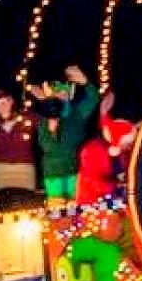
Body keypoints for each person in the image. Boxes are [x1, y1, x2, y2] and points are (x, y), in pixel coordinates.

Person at [26, 64, 105, 203]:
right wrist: (51, 129)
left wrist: (84, 81)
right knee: (57, 213)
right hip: (53, 174)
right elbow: (46, 145)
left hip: (73, 170)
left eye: (65, 89)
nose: (62, 92)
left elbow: (94, 97)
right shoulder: (44, 115)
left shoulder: (78, 113)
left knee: (76, 210)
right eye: (57, 89)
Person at [75, 89, 136, 204]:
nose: (131, 146)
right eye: (128, 143)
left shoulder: (124, 153)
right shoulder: (91, 150)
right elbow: (92, 181)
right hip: (91, 202)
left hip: (113, 200)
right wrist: (117, 189)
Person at [0, 88, 38, 192]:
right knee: (5, 203)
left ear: (12, 102)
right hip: (1, 170)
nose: (2, 106)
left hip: (25, 169)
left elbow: (44, 120)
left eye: (5, 102)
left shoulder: (26, 119)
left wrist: (42, 98)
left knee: (28, 202)